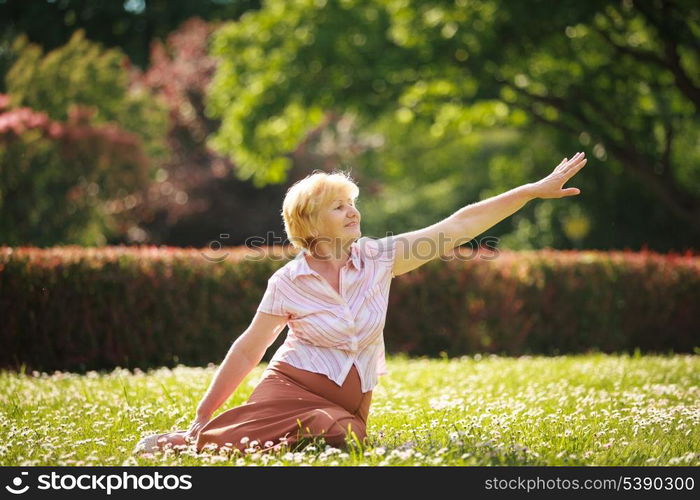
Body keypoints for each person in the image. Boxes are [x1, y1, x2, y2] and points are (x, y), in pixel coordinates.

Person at [133, 152, 587, 456]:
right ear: (308, 222)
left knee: (346, 433)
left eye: (352, 204)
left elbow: (457, 225)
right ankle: (184, 440)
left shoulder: (379, 259)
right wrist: (204, 411)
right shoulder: (288, 281)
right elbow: (250, 348)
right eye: (338, 207)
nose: (353, 212)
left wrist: (530, 190)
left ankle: (272, 431)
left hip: (350, 401)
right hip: (291, 388)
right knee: (331, 435)